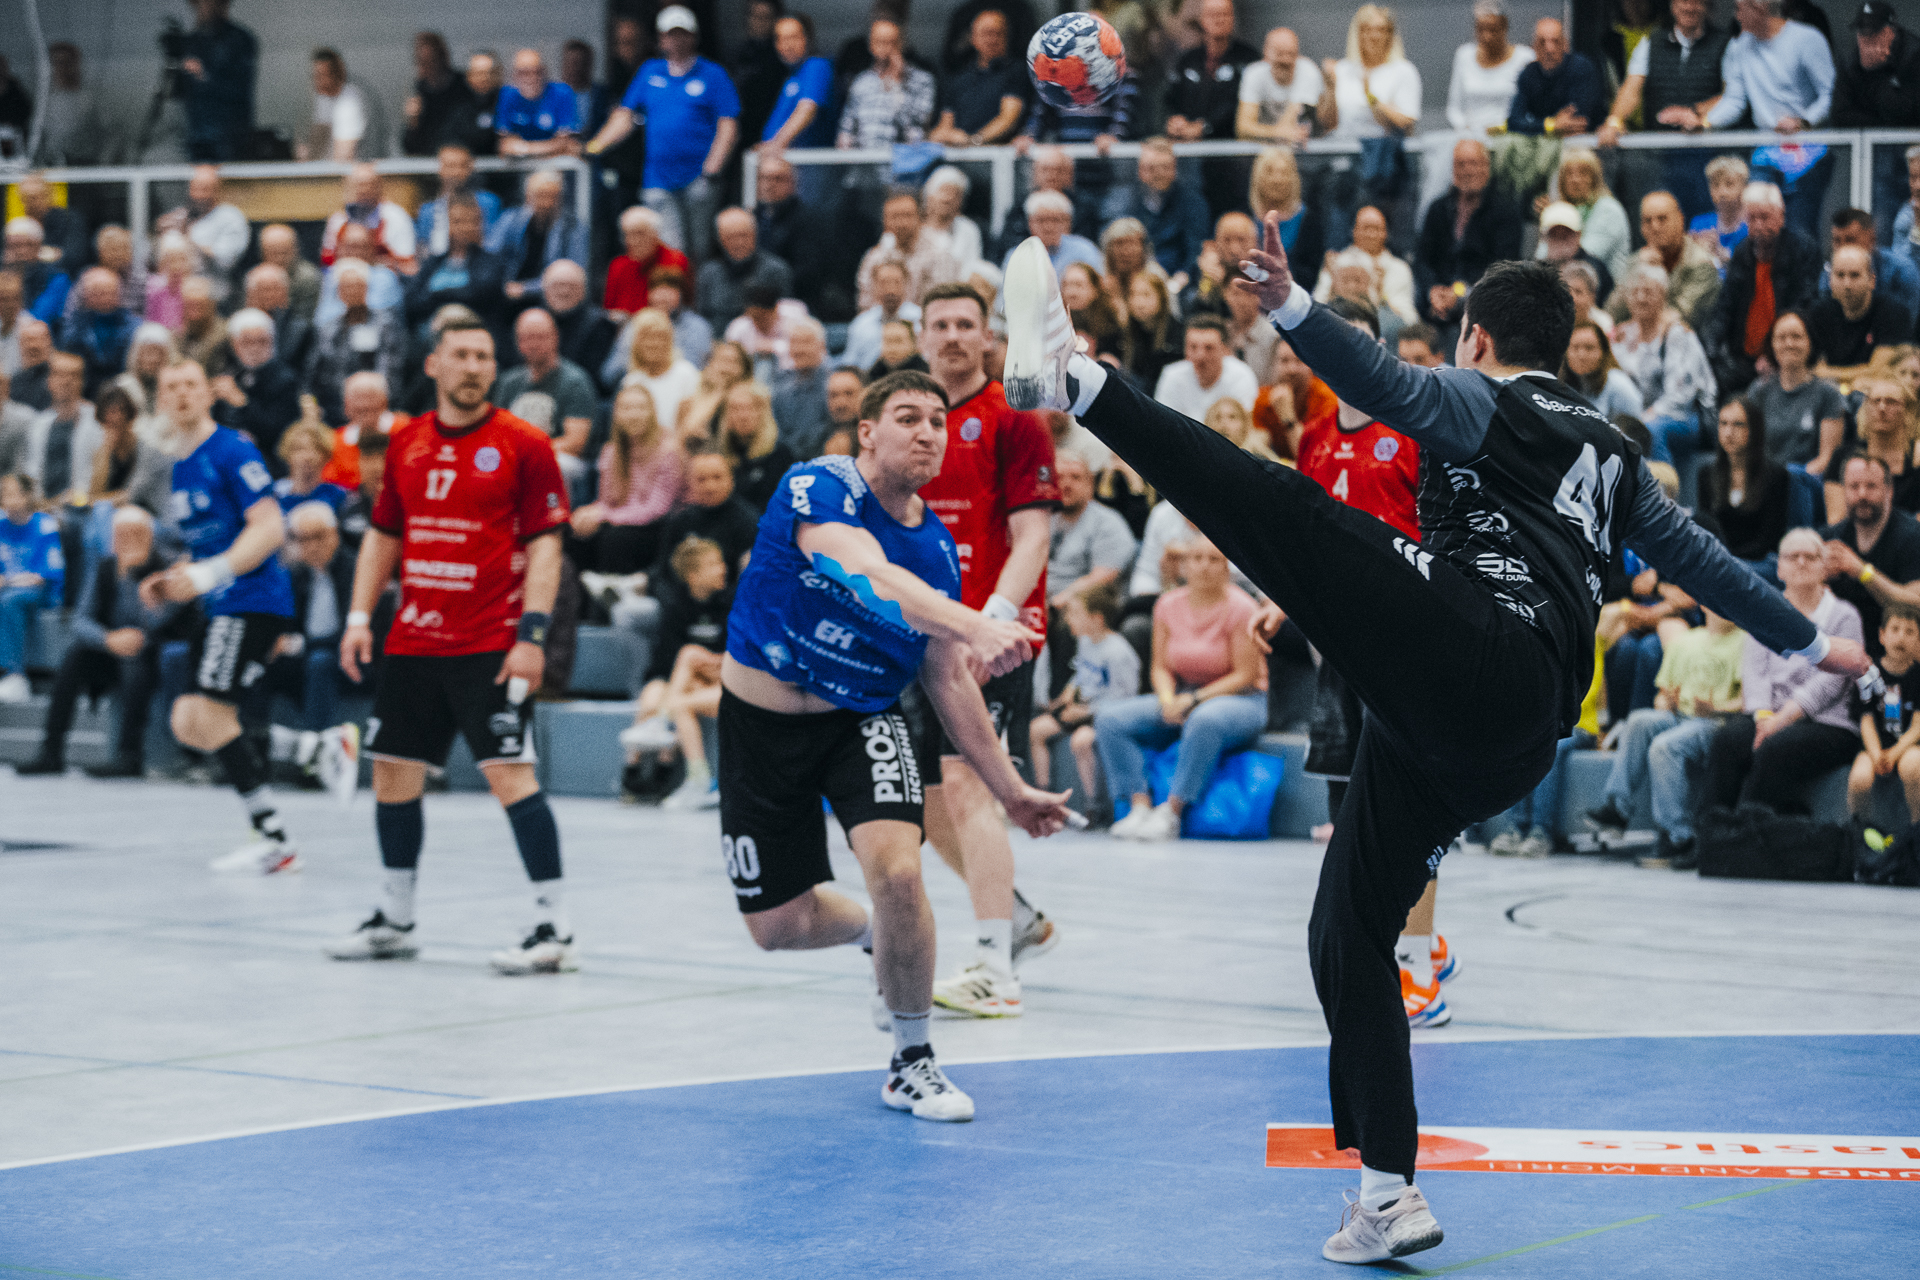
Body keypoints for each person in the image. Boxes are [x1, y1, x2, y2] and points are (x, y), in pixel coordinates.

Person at [998, 221, 1867, 1262]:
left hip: (1481, 653)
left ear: (1475, 339)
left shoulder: (1489, 397)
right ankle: (1387, 1193)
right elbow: (1707, 564)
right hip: (1507, 732)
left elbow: (1381, 380)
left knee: (1282, 505)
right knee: (1347, 924)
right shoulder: (1620, 456)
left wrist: (1290, 304)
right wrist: (1813, 640)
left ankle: (1078, 381)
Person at [716, 367, 1070, 1119]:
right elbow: (860, 568)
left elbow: (948, 682)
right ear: (867, 432)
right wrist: (976, 624)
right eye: (908, 417)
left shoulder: (935, 552)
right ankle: (880, 939)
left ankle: (913, 1060)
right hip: (760, 725)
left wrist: (1012, 792)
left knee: (901, 874)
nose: (928, 432)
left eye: (939, 421)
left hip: (861, 721)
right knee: (777, 927)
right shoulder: (820, 486)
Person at [329, 315, 577, 974]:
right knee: (392, 771)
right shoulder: (406, 443)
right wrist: (359, 618)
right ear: (434, 364)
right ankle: (396, 918)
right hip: (414, 640)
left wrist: (532, 635)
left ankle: (554, 928)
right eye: (461, 355)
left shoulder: (524, 444)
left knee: (509, 775)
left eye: (483, 356)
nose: (473, 367)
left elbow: (546, 548)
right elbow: (384, 535)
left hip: (490, 642)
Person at [884, 281, 1062, 1018]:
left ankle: (995, 967)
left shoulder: (1013, 418)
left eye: (966, 324)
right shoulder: (907, 423)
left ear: (988, 337)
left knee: (967, 786)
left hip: (994, 637)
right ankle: (1015, 919)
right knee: (927, 805)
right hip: (920, 637)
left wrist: (992, 623)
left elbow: (1034, 537)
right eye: (941, 324)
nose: (954, 335)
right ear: (921, 336)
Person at [144, 355, 308, 872]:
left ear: (207, 392)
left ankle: (276, 840)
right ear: (161, 400)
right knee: (188, 722)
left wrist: (209, 574)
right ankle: (314, 749)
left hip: (253, 600)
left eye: (191, 384)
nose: (182, 394)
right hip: (221, 605)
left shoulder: (232, 449)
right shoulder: (181, 466)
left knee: (211, 716)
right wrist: (174, 579)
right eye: (172, 387)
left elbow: (269, 528)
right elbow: (209, 545)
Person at [1095, 532, 1267, 842]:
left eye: (1214, 559)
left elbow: (1245, 675)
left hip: (1242, 699)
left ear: (1227, 568)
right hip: (1183, 693)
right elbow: (1160, 667)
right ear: (1183, 565)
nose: (1204, 566)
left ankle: (1172, 812)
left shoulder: (1243, 607)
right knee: (1110, 720)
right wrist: (1166, 698)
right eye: (1196, 558)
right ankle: (1139, 806)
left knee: (1205, 719)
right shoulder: (1167, 604)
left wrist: (1194, 699)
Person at [1701, 526, 1864, 828]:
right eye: (1792, 556)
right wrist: (1765, 717)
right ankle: (1711, 834)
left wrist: (1781, 720)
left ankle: (1746, 833)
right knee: (1727, 740)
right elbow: (1755, 672)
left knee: (1776, 747)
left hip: (1827, 723)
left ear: (1824, 567)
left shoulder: (1844, 616)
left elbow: (1831, 682)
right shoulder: (1765, 611)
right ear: (1779, 568)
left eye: (1810, 557)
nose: (1801, 562)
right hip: (1768, 715)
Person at [14, 506, 192, 776]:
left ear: (150, 536)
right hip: (111, 648)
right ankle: (51, 753)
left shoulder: (166, 570)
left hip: (151, 650)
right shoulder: (104, 567)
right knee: (74, 657)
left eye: (136, 533)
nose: (128, 540)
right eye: (121, 534)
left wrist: (134, 576)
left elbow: (160, 620)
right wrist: (108, 639)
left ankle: (129, 756)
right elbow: (80, 620)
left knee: (137, 662)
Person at [1582, 607, 1748, 866]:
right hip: (1680, 715)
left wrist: (1715, 708)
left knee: (1665, 745)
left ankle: (1678, 837)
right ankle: (1617, 809)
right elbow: (1661, 695)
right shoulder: (1686, 641)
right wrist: (1666, 701)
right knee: (1639, 720)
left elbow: (1750, 701)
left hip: (1717, 722)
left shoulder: (1746, 642)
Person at [587, 7, 739, 266]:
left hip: (699, 177)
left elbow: (728, 124)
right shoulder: (650, 71)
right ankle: (672, 293)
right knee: (670, 250)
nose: (676, 40)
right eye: (670, 34)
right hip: (658, 177)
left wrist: (713, 167)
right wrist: (595, 146)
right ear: (661, 39)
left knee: (700, 248)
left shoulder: (713, 74)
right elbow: (625, 116)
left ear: (693, 37)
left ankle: (697, 293)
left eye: (682, 34)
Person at [1703, 0, 1838, 240]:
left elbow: (1830, 93)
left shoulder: (1807, 39)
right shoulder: (1738, 46)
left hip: (1808, 152)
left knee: (1799, 230)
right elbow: (1734, 100)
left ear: (1759, 7)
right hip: (1766, 153)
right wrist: (1704, 122)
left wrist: (1803, 121)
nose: (1735, 16)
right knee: (1758, 227)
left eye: (1739, 8)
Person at [618, 536, 734, 807]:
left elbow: (736, 659)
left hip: (719, 681)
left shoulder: (733, 603)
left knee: (689, 656)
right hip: (684, 680)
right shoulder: (675, 607)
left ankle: (663, 748)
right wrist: (697, 675)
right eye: (714, 564)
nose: (723, 569)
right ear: (693, 575)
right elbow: (665, 662)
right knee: (652, 696)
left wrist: (707, 668)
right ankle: (634, 772)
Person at [1596, 0, 1732, 221]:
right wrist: (1615, 121)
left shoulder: (1726, 43)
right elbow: (1631, 88)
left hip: (1705, 155)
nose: (1689, 7)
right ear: (1672, 5)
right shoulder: (1651, 41)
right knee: (1660, 219)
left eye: (1697, 2)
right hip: (1658, 157)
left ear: (1707, 6)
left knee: (1702, 222)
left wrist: (1694, 113)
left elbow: (1731, 95)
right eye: (1683, 1)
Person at [1613, 260, 1718, 501]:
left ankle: (1664, 502)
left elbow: (1681, 396)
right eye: (1635, 292)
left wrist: (1645, 416)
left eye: (1648, 292)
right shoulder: (1623, 334)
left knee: (1651, 429)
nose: (1641, 298)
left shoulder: (1677, 333)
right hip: (1642, 414)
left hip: (1685, 416)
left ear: (1663, 296)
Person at [1031, 579, 1138, 811]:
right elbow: (1082, 672)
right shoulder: (1085, 641)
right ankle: (1043, 796)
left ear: (1096, 619)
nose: (1068, 619)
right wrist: (1068, 693)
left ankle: (1093, 807)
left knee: (1081, 741)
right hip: (1083, 708)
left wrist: (1085, 712)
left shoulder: (1117, 652)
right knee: (1036, 730)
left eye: (1075, 614)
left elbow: (1125, 700)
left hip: (1104, 714)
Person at [1709, 182, 1821, 396]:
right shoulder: (1742, 252)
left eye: (1765, 217)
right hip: (1742, 360)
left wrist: (1772, 355)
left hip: (1785, 357)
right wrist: (1710, 350)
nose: (1759, 225)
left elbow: (1802, 306)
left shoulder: (1803, 250)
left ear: (1781, 217)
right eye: (1752, 218)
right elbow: (1725, 307)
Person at [571, 383, 681, 578]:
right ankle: (583, 591)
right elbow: (606, 501)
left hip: (659, 526)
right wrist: (587, 513)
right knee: (575, 533)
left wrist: (605, 516)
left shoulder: (669, 451)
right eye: (626, 408)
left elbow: (657, 508)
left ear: (652, 412)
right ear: (616, 414)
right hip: (622, 519)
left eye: (640, 408)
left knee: (614, 537)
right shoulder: (611, 451)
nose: (633, 414)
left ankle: (612, 589)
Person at [1830, 0, 1920, 238]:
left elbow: (1907, 113)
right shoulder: (1851, 62)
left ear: (1890, 32)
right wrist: (1883, 122)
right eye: (1862, 34)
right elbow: (1839, 116)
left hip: (1915, 152)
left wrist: (1879, 73)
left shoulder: (1913, 54)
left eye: (1873, 33)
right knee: (1882, 220)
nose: (1866, 41)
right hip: (1879, 156)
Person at [1414, 140, 1520, 333]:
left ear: (1486, 167)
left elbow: (1504, 267)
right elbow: (1422, 259)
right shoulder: (1438, 209)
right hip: (1437, 301)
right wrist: (1433, 289)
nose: (1467, 171)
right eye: (1460, 164)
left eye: (1473, 163)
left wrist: (1460, 292)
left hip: (1483, 303)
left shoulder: (1506, 211)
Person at [1822, 451, 1920, 659]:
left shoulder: (1912, 536)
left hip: (1896, 654)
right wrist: (1819, 578)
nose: (1862, 495)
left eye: (1871, 486)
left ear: (1889, 491)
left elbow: (1914, 603)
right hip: (1842, 648)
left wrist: (1862, 571)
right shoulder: (1831, 538)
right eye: (1854, 486)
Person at [494, 308, 597, 489]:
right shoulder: (509, 382)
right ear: (518, 342)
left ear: (555, 337)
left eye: (540, 337)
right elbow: (496, 432)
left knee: (556, 464)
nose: (534, 344)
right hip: (515, 457)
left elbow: (575, 442)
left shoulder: (575, 381)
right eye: (527, 338)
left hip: (559, 460)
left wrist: (528, 454)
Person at [1846, 602, 1920, 830]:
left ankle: (1916, 830)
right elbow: (1866, 720)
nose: (1901, 637)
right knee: (1859, 779)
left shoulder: (1918, 676)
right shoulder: (1868, 674)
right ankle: (1860, 833)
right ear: (1882, 635)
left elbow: (1918, 725)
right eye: (1895, 629)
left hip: (1908, 745)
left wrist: (1896, 752)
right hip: (1874, 746)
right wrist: (1877, 754)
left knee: (1913, 766)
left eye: (1910, 632)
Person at [306, 261, 406, 429]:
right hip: (334, 404)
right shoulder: (328, 328)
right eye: (346, 287)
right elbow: (314, 369)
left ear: (367, 289)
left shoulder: (385, 323)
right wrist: (311, 400)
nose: (352, 291)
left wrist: (375, 399)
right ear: (338, 292)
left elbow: (390, 367)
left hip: (373, 402)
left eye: (357, 286)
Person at [1750, 309, 1846, 476]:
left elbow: (1827, 459)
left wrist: (1790, 478)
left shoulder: (1828, 394)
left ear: (1810, 342)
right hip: (1764, 481)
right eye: (1781, 338)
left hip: (1807, 481)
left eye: (1796, 337)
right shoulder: (1758, 391)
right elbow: (1748, 449)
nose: (1789, 344)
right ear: (1772, 344)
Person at [1607, 191, 1722, 330]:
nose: (1655, 227)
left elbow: (1679, 316)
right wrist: (1636, 269)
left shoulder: (1701, 263)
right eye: (1647, 221)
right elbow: (1612, 315)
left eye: (1662, 219)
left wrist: (1629, 329)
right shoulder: (1636, 261)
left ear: (1680, 220)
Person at [404, 194, 511, 343]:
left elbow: (478, 295)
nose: (464, 227)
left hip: (473, 336)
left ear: (479, 224)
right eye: (457, 221)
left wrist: (436, 295)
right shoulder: (433, 262)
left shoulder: (492, 263)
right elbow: (411, 301)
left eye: (470, 221)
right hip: (429, 338)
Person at [1700, 396, 1793, 561]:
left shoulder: (1776, 475)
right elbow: (1707, 532)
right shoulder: (1706, 474)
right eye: (1723, 423)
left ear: (1754, 429)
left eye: (1738, 424)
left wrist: (1731, 561)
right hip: (1719, 562)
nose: (1728, 433)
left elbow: (1770, 539)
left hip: (1760, 562)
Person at [0, 471, 63, 704]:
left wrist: (9, 581)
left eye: (13, 493)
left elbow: (43, 576)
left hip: (43, 593)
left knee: (9, 600)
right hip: (11, 589)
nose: (7, 500)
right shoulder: (0, 525)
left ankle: (16, 676)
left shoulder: (44, 524)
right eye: (4, 494)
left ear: (27, 496)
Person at [835, 15, 938, 150]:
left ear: (902, 43)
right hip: (865, 160)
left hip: (903, 160)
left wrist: (897, 84)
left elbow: (917, 131)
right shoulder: (861, 82)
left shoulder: (922, 81)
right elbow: (846, 130)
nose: (885, 49)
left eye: (891, 42)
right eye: (880, 42)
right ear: (871, 45)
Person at [486, 171, 589, 305]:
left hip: (551, 296)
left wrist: (525, 289)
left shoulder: (573, 227)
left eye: (553, 197)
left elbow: (574, 273)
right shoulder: (510, 219)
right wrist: (501, 284)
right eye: (541, 195)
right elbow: (489, 257)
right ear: (528, 196)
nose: (547, 203)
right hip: (507, 291)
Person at [929, 8, 1026, 149]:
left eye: (998, 33)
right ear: (973, 38)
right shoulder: (959, 80)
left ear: (1007, 37)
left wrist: (973, 140)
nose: (992, 39)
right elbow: (945, 125)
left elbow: (1008, 119)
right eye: (986, 33)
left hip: (998, 152)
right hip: (959, 153)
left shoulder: (1016, 72)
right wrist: (941, 135)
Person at [1810, 246, 1908, 384]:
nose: (1847, 284)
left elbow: (1879, 371)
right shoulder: (1818, 313)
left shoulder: (1893, 312)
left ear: (1872, 280)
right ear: (1830, 280)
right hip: (1829, 392)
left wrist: (1828, 373)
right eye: (1840, 275)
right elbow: (1811, 369)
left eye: (1854, 275)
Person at [155, 167, 250, 305]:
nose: (199, 195)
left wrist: (188, 238)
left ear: (217, 190)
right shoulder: (181, 214)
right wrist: (158, 232)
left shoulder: (231, 217)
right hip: (177, 298)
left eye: (205, 189)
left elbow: (225, 260)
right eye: (195, 189)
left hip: (214, 298)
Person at [179, 0, 258, 162]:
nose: (202, 9)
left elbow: (240, 88)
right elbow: (183, 91)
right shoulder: (194, 41)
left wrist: (204, 76)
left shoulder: (239, 40)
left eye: (207, 3)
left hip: (229, 135)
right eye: (198, 5)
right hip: (198, 133)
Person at [857, 191, 961, 311]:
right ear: (885, 221)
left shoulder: (940, 253)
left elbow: (943, 303)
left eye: (907, 215)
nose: (901, 223)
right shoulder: (875, 258)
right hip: (882, 321)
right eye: (894, 217)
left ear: (920, 218)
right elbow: (864, 304)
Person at [1312, 207, 1416, 326]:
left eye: (1376, 229)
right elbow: (1318, 304)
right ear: (1354, 231)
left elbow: (1407, 318)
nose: (1371, 234)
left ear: (1386, 233)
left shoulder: (1400, 269)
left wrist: (1378, 293)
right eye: (1366, 228)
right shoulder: (1336, 263)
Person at [1505, 18, 1605, 140]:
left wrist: (1536, 126)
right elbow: (1514, 122)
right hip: (1545, 141)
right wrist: (1550, 125)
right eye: (1542, 42)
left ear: (1565, 45)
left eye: (1555, 41)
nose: (1549, 49)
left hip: (1586, 141)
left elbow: (1578, 121)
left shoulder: (1581, 67)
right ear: (1533, 47)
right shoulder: (1528, 74)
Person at [698, 208, 794, 335]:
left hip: (761, 342)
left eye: (743, 235)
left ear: (755, 234)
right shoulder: (708, 273)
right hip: (717, 342)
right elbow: (701, 319)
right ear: (720, 239)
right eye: (730, 237)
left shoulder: (776, 271)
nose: (738, 242)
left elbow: (787, 316)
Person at [1446, 0, 1533, 136]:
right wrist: (1466, 130)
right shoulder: (1464, 55)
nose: (1486, 37)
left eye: (1493, 30)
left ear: (1504, 28)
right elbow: (1454, 109)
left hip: (1512, 135)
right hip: (1471, 137)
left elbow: (1533, 107)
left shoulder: (1525, 57)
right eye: (1480, 30)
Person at [1826, 206, 1920, 331]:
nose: (1843, 248)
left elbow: (1906, 325)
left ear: (1872, 239)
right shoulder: (1830, 272)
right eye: (1837, 241)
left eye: (1850, 240)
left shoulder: (1903, 271)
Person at [717, 380, 797, 514]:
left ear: (763, 413)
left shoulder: (779, 454)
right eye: (735, 409)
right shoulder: (719, 453)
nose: (743, 416)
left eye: (750, 408)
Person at [1154, 315, 1257, 419]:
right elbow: (1164, 421)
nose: (1200, 356)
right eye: (1193, 347)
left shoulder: (1241, 376)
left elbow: (1242, 425)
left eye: (1209, 348)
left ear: (1225, 350)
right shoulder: (1172, 375)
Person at [61, 269, 142, 399]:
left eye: (109, 292)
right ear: (86, 296)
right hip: (85, 391)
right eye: (97, 293)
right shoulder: (75, 327)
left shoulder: (134, 327)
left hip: (124, 391)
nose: (104, 298)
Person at [1238, 27, 1324, 145]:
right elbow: (1243, 129)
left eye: (1291, 54)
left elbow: (1290, 123)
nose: (1286, 60)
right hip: (1261, 151)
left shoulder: (1308, 71)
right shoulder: (1254, 74)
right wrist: (1278, 133)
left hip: (1300, 150)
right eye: (1279, 53)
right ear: (1266, 53)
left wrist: (1264, 132)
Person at [413, 145, 502, 259]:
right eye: (450, 166)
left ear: (471, 168)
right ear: (440, 169)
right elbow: (423, 249)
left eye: (462, 166)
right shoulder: (428, 211)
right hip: (438, 266)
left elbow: (494, 244)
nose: (456, 172)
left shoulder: (488, 203)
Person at [603, 208, 691, 324]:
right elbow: (609, 311)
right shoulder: (618, 266)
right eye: (626, 234)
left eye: (639, 233)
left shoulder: (674, 261)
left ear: (656, 234)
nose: (631, 241)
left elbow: (681, 309)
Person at [495, 48, 580, 159]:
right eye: (524, 73)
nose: (531, 78)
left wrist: (524, 148)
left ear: (545, 72)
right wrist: (545, 147)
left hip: (553, 162)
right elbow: (505, 144)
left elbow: (565, 143)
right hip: (518, 163)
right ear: (514, 75)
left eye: (537, 72)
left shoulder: (562, 93)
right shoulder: (507, 95)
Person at [402, 32, 474, 157]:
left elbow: (476, 132)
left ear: (443, 59)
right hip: (430, 161)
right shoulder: (419, 90)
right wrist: (412, 122)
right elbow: (409, 147)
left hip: (462, 158)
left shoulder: (465, 85)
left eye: (431, 61)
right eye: (421, 62)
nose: (426, 68)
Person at [302, 48, 380, 161]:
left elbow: (344, 156)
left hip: (362, 167)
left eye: (322, 75)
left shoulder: (350, 102)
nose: (317, 81)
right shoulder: (324, 98)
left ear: (337, 74)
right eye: (314, 76)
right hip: (332, 166)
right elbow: (318, 136)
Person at [770, 318, 833, 456]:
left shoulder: (833, 385)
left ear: (822, 346)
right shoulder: (780, 386)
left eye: (806, 342)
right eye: (794, 342)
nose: (799, 349)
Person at [1561, 320, 1645, 420]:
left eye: (1589, 348)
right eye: (1575, 348)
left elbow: (1634, 427)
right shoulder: (1564, 384)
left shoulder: (1618, 385)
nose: (1581, 355)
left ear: (1603, 352)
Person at [273, 420, 348, 516]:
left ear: (326, 455)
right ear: (287, 454)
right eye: (299, 449)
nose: (307, 456)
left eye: (315, 449)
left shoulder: (338, 495)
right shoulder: (275, 494)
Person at [1689, 155, 1752, 268]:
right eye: (1715, 185)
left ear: (1744, 187)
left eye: (1729, 184)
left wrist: (1721, 253)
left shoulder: (1752, 226)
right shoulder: (1699, 224)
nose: (1722, 192)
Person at [8, 219, 71, 325]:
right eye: (14, 245)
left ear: (38, 246)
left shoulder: (56, 277)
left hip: (41, 330)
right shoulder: (4, 275)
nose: (20, 251)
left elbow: (40, 316)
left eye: (28, 245)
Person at [441, 51, 503, 158]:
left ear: (498, 75)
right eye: (479, 73)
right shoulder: (457, 106)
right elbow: (447, 139)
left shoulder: (507, 102)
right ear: (469, 76)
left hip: (504, 166)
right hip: (466, 166)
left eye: (489, 73)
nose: (484, 78)